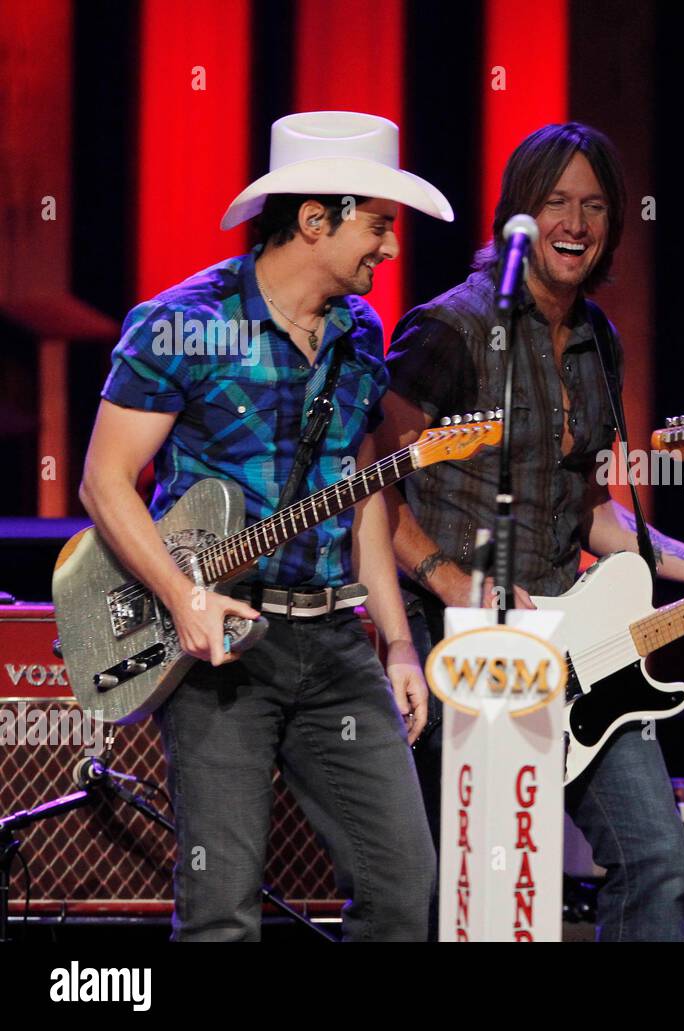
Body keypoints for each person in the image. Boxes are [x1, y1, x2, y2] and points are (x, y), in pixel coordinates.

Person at [376, 122, 684, 942]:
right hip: (455, 639)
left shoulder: (601, 340)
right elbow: (370, 490)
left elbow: (591, 510)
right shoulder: (450, 329)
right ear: (517, 215)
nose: (576, 222)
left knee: (658, 863)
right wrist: (453, 580)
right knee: (470, 890)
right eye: (556, 202)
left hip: (574, 643)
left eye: (595, 205)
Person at [79, 111, 451, 941]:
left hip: (336, 645)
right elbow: (104, 481)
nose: (391, 249)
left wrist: (396, 643)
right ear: (316, 218)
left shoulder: (361, 334)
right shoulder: (181, 323)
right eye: (378, 225)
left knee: (401, 892)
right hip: (221, 650)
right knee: (222, 915)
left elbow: (360, 494)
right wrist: (182, 597)